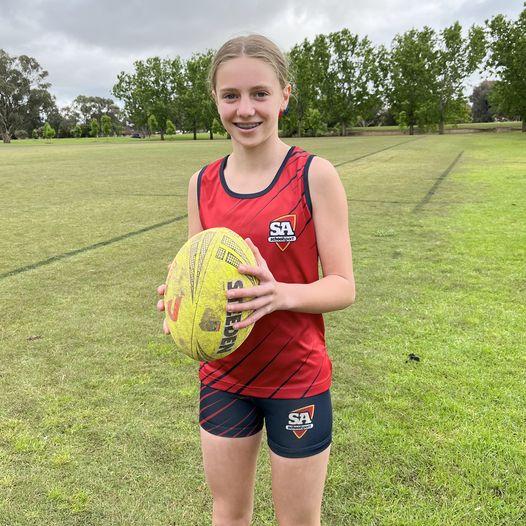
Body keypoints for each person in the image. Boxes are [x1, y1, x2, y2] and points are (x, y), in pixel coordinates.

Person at [157, 34, 355, 526]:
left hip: (297, 377)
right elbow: (199, 269)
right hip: (225, 377)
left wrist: (279, 294)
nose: (245, 110)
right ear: (216, 100)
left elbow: (343, 285)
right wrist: (179, 300)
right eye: (231, 96)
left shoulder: (314, 174)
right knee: (228, 513)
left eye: (260, 94)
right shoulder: (201, 183)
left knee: (298, 520)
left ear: (285, 94)